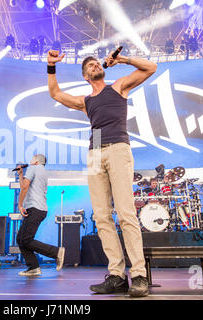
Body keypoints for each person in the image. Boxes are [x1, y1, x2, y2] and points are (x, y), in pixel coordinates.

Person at [47, 48, 157, 297]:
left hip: (118, 147)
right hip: (95, 150)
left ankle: (139, 275)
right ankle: (117, 276)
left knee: (126, 213)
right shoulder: (86, 102)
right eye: (90, 66)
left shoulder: (118, 86)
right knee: (101, 216)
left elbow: (151, 68)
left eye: (97, 63)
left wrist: (123, 59)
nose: (95, 65)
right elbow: (54, 92)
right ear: (86, 76)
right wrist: (51, 66)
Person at [16, 154, 65, 276]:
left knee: (26, 240)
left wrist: (20, 204)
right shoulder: (43, 172)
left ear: (36, 161)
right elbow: (25, 185)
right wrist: (21, 174)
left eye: (32, 158)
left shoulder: (33, 168)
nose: (30, 159)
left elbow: (24, 187)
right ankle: (33, 267)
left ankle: (56, 252)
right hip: (40, 209)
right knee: (20, 239)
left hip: (35, 208)